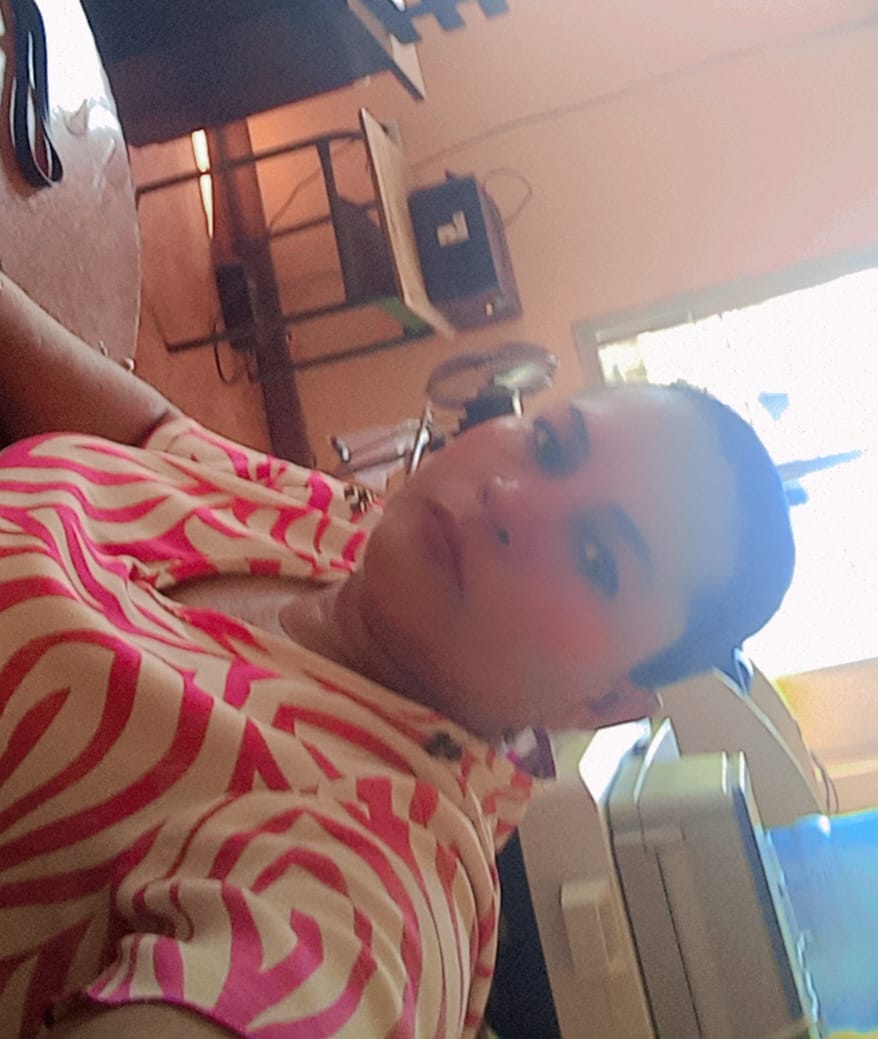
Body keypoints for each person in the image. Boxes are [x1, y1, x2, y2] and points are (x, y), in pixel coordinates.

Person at [0, 272, 794, 1038]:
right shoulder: (349, 531)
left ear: (603, 702)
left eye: (595, 559)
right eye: (549, 444)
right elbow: (152, 436)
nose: (509, 498)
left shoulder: (373, 869)